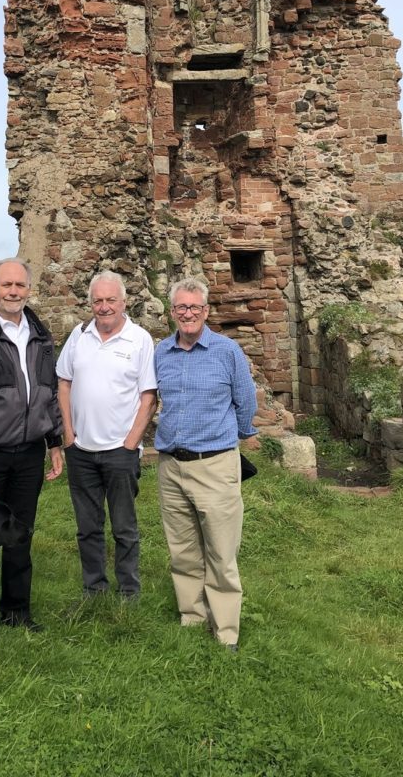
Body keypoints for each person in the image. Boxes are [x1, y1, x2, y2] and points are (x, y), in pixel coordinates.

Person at [154, 277, 257, 652]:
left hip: (215, 464)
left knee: (221, 551)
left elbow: (246, 401)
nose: (188, 314)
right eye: (181, 307)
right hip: (171, 466)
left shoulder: (226, 352)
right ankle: (192, 616)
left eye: (195, 307)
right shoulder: (161, 352)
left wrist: (240, 432)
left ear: (206, 311)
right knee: (182, 549)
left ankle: (226, 631)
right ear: (172, 312)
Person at [0, 257, 63, 630]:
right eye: (6, 285)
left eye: (20, 285)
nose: (13, 292)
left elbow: (47, 391)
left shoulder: (40, 333)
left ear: (29, 290)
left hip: (29, 454)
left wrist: (55, 441)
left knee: (20, 534)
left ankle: (16, 611)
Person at [56, 271, 157, 599]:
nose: (103, 307)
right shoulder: (78, 335)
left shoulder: (139, 339)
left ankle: (129, 590)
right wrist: (68, 435)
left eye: (110, 300)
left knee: (125, 527)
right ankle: (94, 589)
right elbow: (63, 383)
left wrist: (131, 443)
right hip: (81, 449)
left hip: (119, 450)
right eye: (97, 300)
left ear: (123, 302)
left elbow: (149, 396)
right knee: (88, 527)